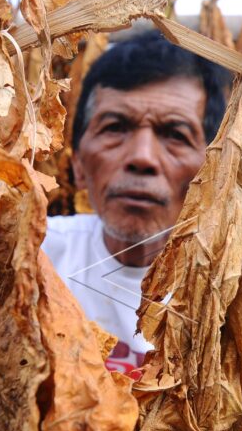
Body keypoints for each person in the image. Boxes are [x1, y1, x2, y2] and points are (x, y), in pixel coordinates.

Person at [42, 31, 231, 376]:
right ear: (78, 166)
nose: (142, 157)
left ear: (213, 170)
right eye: (115, 127)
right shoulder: (31, 260)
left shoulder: (237, 293)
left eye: (175, 134)